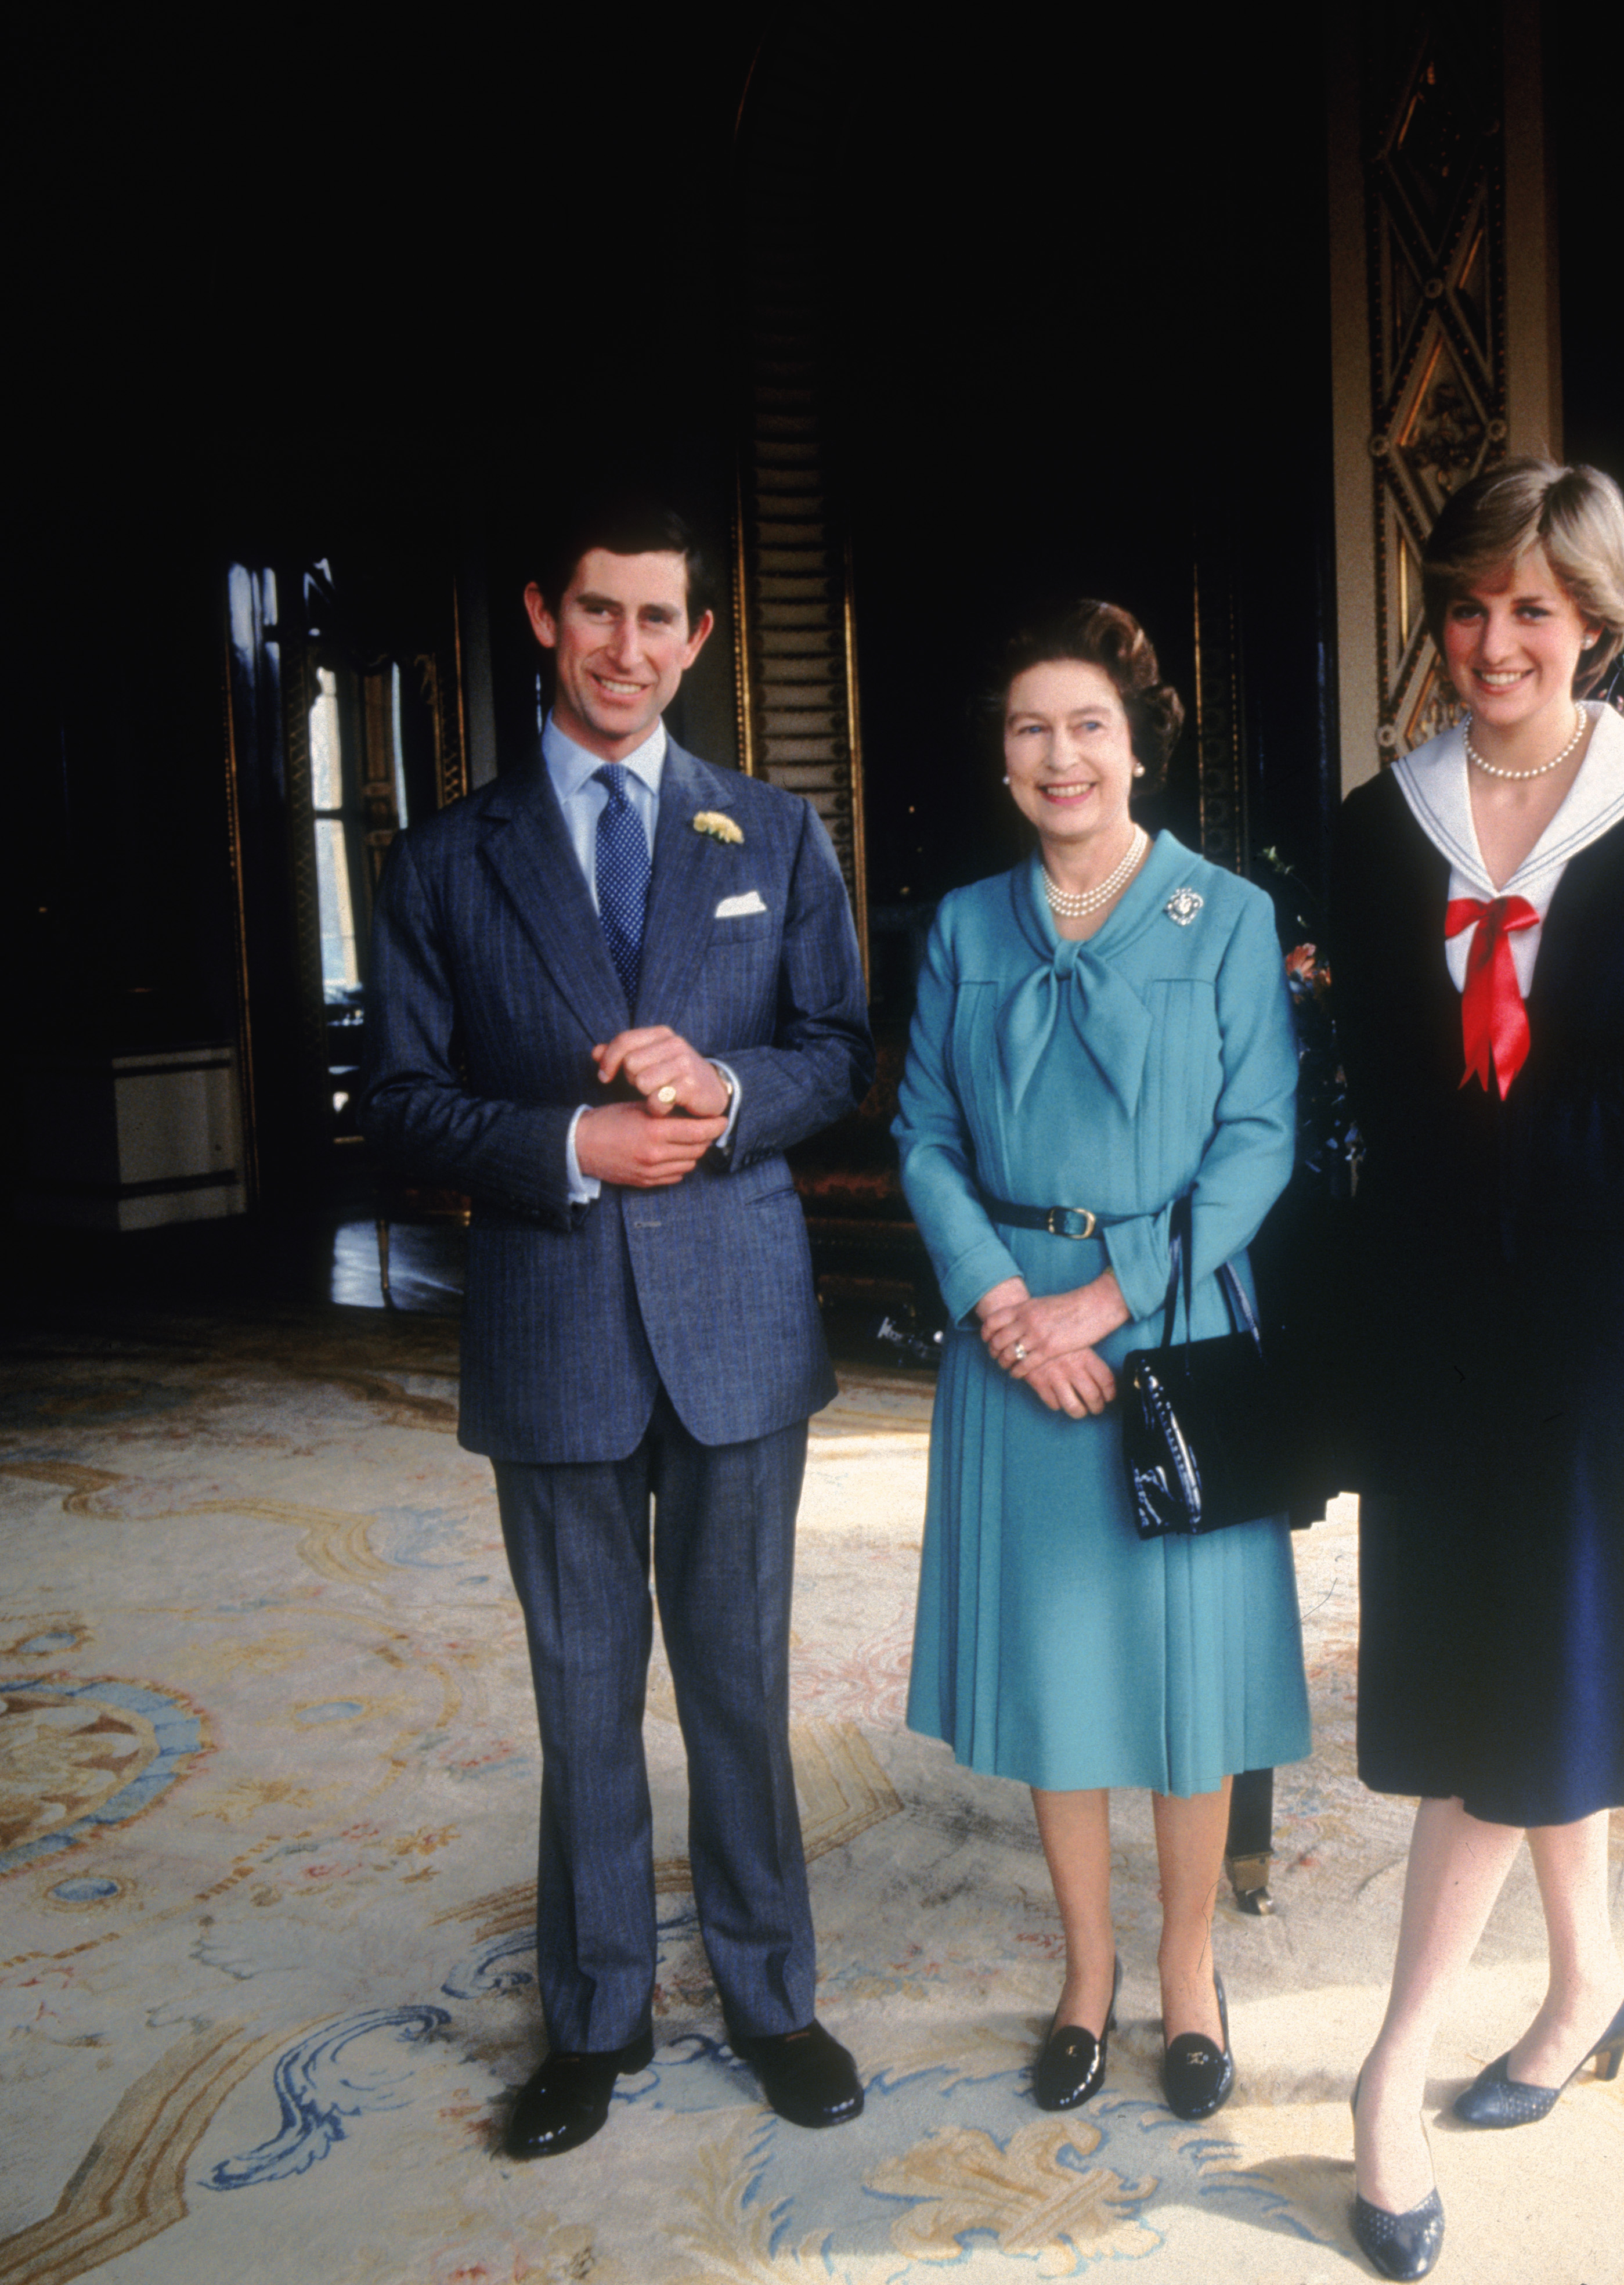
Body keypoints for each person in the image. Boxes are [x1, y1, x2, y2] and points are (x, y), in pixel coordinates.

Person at [360, 496, 875, 2160]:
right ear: (541, 614)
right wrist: (572, 1146)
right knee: (585, 1699)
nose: (627, 652)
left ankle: (772, 1995)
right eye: (598, 614)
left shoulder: (776, 838)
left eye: (661, 622)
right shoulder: (445, 859)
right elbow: (402, 1106)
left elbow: (837, 1054)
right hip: (554, 1327)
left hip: (737, 1328)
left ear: (701, 640)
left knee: (738, 1683)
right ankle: (593, 2022)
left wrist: (724, 1093)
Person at [1330, 459, 1624, 2279]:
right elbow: (1371, 1083)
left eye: (1534, 608)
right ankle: (1586, 1980)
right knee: (1487, 1647)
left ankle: (1389, 2068)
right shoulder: (1380, 824)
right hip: (1438, 1285)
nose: (1495, 641)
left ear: (1594, 620)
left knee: (1537, 1651)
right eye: (1469, 605)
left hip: (1601, 1288)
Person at [893, 599, 1311, 2123]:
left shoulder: (1231, 917)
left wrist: (1111, 1296)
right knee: (1064, 1677)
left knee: (1184, 1683)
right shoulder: (960, 929)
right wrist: (1010, 1306)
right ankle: (1088, 1974)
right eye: (1028, 728)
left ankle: (1190, 1972)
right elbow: (923, 1136)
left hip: (1174, 1327)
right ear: (1003, 761)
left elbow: (1262, 1139)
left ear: (1139, 748)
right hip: (1010, 1334)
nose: (1059, 755)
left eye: (1086, 726)